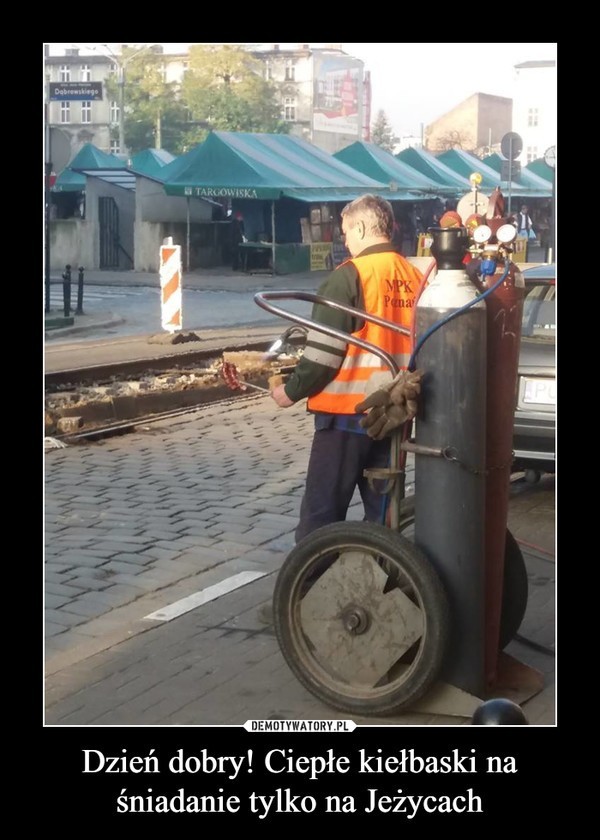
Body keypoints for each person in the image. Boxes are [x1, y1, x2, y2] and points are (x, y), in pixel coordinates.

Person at [270, 194, 424, 543]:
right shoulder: (414, 276)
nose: (345, 240)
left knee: (321, 517)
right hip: (394, 416)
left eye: (346, 231)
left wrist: (290, 391)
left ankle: (309, 586)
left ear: (363, 227)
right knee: (385, 518)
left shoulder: (350, 276)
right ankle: (385, 582)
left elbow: (323, 355)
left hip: (345, 417)